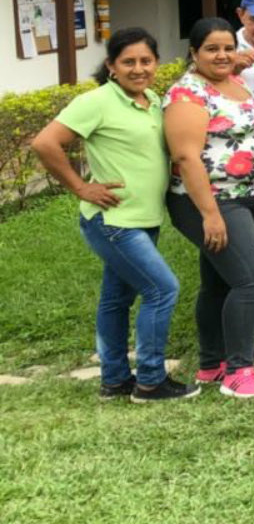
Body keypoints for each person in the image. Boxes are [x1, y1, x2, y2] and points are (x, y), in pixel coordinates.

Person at [31, 28, 197, 403]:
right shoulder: (98, 101)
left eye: (146, 61)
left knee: (116, 300)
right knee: (162, 289)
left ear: (156, 64)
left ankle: (115, 379)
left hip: (143, 218)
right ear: (111, 66)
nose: (138, 69)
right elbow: (45, 142)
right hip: (113, 221)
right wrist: (80, 186)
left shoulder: (153, 100)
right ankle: (152, 380)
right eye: (128, 62)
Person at [162, 19, 254, 399]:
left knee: (219, 282)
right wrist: (210, 214)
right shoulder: (187, 94)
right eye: (211, 48)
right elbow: (186, 156)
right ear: (193, 53)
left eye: (228, 47)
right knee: (253, 278)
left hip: (248, 197)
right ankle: (239, 370)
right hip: (212, 201)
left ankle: (212, 364)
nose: (222, 55)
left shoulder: (234, 84)